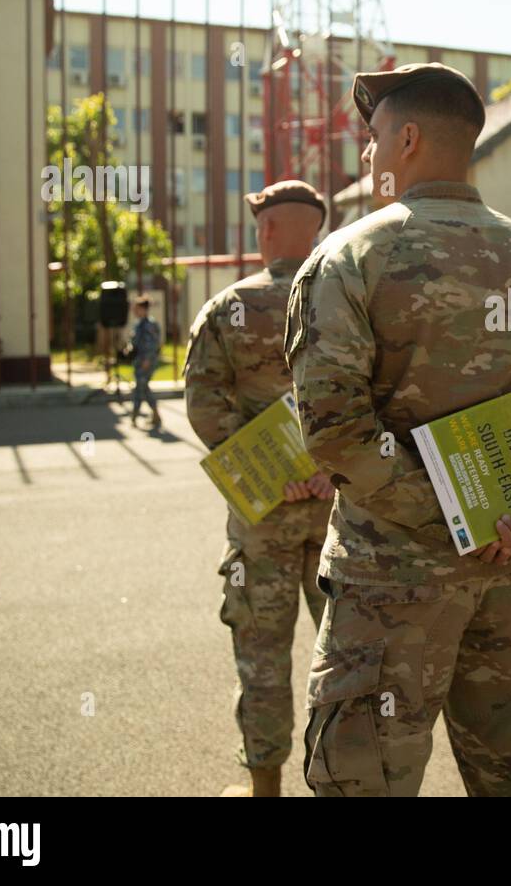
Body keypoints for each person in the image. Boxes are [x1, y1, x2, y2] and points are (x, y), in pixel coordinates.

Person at [285, 63, 511, 797]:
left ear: (408, 138)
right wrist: (508, 515)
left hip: (393, 582)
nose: (368, 155)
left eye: (375, 136)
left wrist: (452, 512)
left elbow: (334, 430)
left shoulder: (349, 259)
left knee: (366, 783)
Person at [184, 180, 335, 798]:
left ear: (267, 229)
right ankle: (345, 780)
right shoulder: (350, 301)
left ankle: (265, 788)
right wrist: (329, 470)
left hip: (263, 515)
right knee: (349, 656)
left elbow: (204, 407)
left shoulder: (230, 308)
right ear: (316, 231)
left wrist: (275, 475)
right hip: (341, 514)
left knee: (263, 657)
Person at [128, 296, 162, 428]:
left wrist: (147, 359)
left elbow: (153, 344)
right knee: (143, 387)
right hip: (139, 360)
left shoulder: (149, 324)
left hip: (146, 361)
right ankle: (155, 415)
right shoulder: (139, 324)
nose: (134, 311)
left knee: (140, 388)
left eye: (137, 308)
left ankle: (135, 415)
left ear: (143, 309)